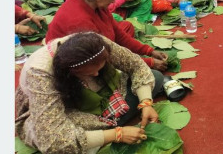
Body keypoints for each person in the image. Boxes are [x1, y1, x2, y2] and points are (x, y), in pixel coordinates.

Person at [15, 32, 165, 153]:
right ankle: (106, 128)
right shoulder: (40, 74)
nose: (95, 75)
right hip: (63, 108)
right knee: (58, 142)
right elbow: (52, 138)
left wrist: (146, 102)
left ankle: (103, 128)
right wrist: (115, 135)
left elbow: (136, 65)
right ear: (69, 72)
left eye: (100, 69)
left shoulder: (97, 45)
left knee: (155, 77)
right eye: (88, 73)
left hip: (97, 94)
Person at [49, 0, 166, 69]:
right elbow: (102, 57)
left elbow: (119, 35)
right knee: (155, 78)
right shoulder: (79, 20)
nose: (114, 0)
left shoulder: (96, 4)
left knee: (126, 26)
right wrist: (148, 63)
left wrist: (149, 51)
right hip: (80, 65)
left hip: (99, 48)